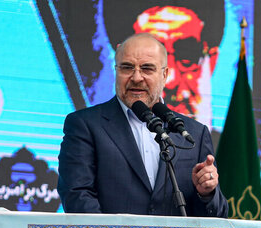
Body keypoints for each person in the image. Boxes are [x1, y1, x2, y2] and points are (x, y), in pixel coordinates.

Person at [57, 33, 228, 217]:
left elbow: (217, 216)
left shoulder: (193, 133)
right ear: (116, 71)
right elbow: (77, 196)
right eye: (127, 68)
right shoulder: (85, 125)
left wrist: (206, 194)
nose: (137, 77)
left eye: (147, 69)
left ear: (164, 75)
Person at [103, 1, 225, 127]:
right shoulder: (91, 127)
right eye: (147, 64)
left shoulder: (199, 133)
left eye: (186, 58)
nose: (170, 80)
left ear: (212, 60)